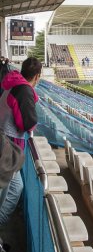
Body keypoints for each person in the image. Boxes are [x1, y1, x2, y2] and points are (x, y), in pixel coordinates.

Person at [0, 57, 41, 224]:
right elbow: (26, 123)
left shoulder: (15, 83)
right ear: (38, 76)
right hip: (7, 147)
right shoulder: (24, 90)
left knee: (15, 189)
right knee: (8, 192)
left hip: (6, 143)